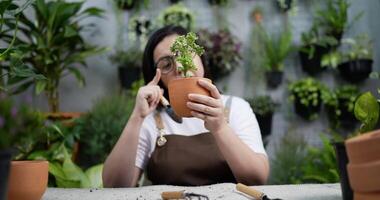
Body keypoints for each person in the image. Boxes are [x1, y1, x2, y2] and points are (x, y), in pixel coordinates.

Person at [102, 25, 269, 187]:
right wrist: (136, 118)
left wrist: (220, 128)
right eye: (167, 65)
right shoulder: (151, 120)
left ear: (201, 59)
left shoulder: (236, 108)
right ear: (158, 78)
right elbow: (114, 186)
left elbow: (257, 178)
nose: (181, 67)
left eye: (186, 55)